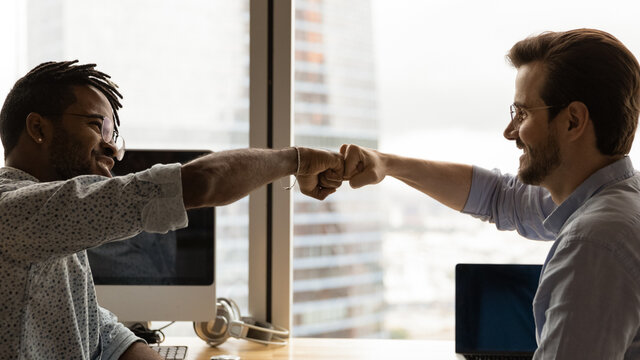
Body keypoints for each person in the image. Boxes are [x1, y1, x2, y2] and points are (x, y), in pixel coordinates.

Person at [0, 60, 343, 359]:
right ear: (38, 128)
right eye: (95, 125)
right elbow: (203, 182)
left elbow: (98, 332)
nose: (113, 149)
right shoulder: (14, 211)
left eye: (113, 133)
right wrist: (299, 160)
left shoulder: (51, 226)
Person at [340, 29, 640, 358]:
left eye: (523, 114)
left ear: (573, 120)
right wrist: (386, 163)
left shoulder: (593, 244)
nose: (509, 131)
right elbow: (499, 196)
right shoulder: (618, 198)